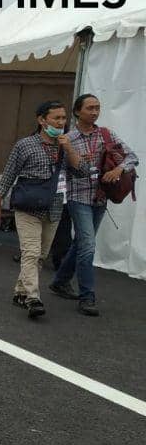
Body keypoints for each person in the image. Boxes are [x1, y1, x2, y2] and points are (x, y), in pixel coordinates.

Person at [0, 100, 87, 319]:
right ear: (42, 120)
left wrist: (69, 149)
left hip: (54, 208)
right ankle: (33, 298)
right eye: (56, 118)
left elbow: (82, 172)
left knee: (41, 255)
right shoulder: (25, 145)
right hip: (27, 207)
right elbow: (8, 175)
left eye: (64, 118)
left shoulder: (67, 144)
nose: (61, 123)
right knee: (31, 252)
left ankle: (20, 292)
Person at [49, 94, 138, 316]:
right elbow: (59, 168)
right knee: (88, 245)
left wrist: (119, 170)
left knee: (81, 243)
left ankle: (60, 281)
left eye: (97, 108)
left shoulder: (106, 134)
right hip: (78, 197)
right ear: (78, 111)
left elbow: (132, 157)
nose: (95, 112)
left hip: (100, 197)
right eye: (90, 108)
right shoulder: (67, 138)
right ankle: (87, 297)